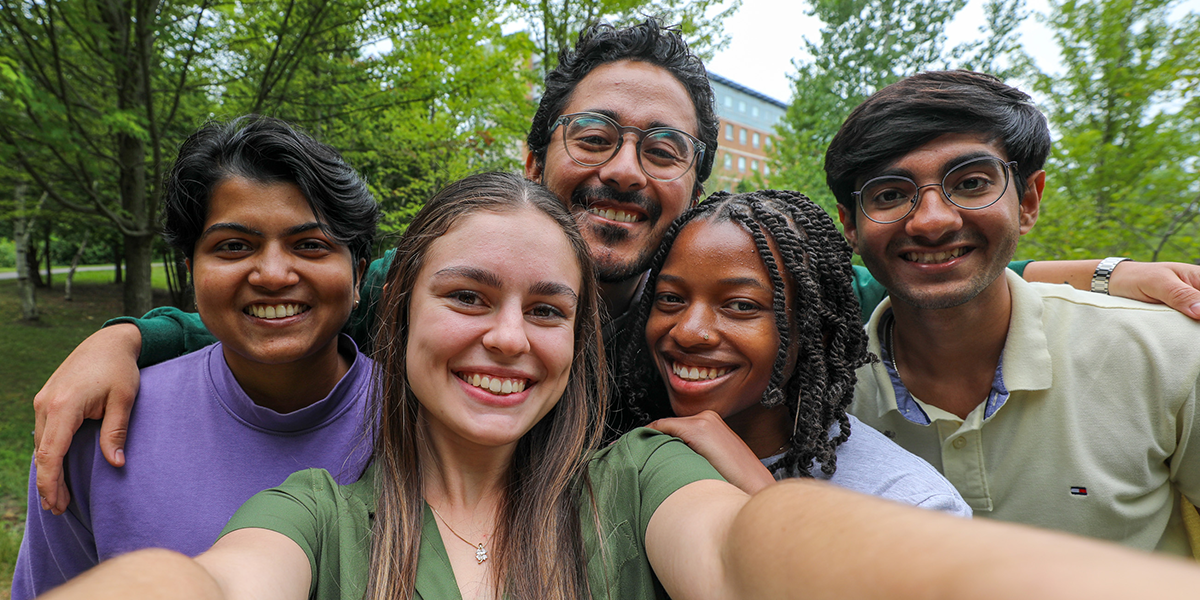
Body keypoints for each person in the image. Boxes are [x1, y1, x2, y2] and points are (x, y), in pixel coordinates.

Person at [29, 19, 1200, 515]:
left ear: (695, 182)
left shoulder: (753, 305)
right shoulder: (439, 285)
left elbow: (911, 265)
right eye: (594, 137)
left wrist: (1090, 273)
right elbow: (301, 291)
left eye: (663, 147)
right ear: (537, 155)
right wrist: (129, 335)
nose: (623, 169)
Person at [39, 172, 1200, 600]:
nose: (508, 339)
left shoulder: (643, 477)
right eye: (468, 298)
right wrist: (129, 335)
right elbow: (208, 581)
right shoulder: (320, 518)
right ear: (395, 314)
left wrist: (1092, 269)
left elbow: (760, 551)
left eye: (547, 309)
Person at [826, 70, 1200, 556]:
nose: (933, 220)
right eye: (890, 195)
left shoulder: (1167, 354)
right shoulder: (825, 400)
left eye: (972, 183)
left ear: (1027, 200)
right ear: (850, 227)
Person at [12, 116, 380, 598]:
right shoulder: (95, 431)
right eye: (233, 246)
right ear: (192, 271)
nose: (272, 273)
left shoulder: (431, 427)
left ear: (359, 277)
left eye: (310, 245)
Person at [618, 189, 968, 515]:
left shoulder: (911, 504)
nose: (689, 331)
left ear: (817, 330)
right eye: (671, 299)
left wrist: (761, 493)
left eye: (741, 305)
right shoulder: (624, 456)